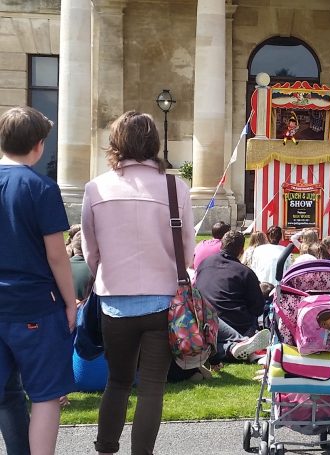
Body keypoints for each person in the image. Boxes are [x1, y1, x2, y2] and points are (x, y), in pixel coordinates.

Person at [81, 111, 195, 455]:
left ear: (116, 143)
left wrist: (109, 271)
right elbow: (188, 252)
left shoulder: (96, 187)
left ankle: (105, 448)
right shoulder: (176, 187)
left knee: (116, 382)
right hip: (163, 301)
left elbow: (90, 249)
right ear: (154, 144)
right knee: (151, 388)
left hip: (115, 299)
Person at [0, 106, 75, 455]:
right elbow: (57, 255)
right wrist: (71, 302)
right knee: (45, 396)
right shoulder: (41, 187)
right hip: (33, 305)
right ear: (39, 145)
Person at [196, 230, 266, 337]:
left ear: (221, 246)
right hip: (237, 326)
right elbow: (258, 308)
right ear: (242, 251)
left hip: (204, 321)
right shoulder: (245, 273)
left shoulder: (204, 263)